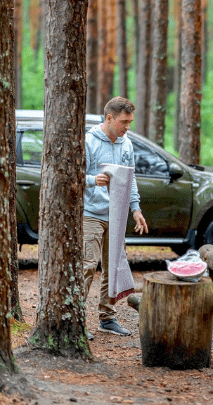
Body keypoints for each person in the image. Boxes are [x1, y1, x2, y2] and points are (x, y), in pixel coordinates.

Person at [83, 97, 149, 339]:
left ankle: (107, 317)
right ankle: (77, 320)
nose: (127, 127)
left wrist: (135, 208)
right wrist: (93, 180)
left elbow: (130, 179)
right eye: (124, 122)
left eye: (130, 122)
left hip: (117, 214)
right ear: (109, 118)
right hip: (91, 213)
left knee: (114, 266)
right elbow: (75, 174)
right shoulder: (89, 141)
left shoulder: (126, 144)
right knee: (87, 265)